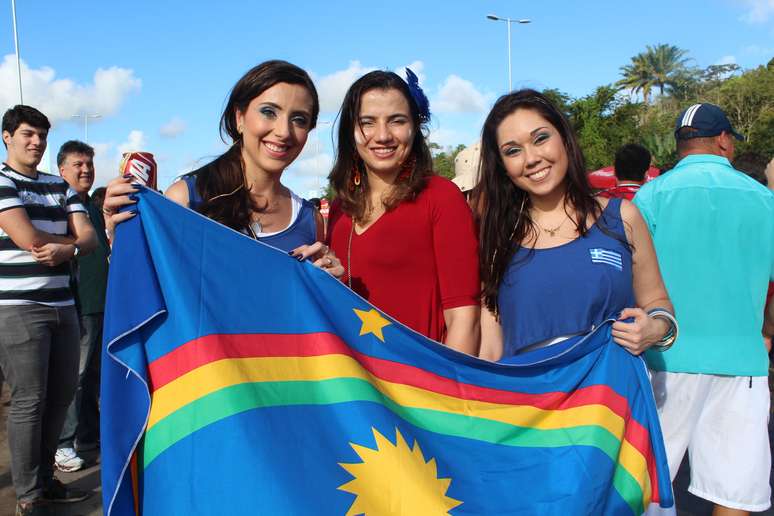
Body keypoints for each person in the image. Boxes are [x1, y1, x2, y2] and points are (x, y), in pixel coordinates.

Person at [634, 103, 774, 515]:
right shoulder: (763, 199)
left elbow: (633, 276)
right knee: (735, 491)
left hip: (664, 358)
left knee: (648, 487)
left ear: (680, 146)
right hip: (741, 360)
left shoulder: (651, 195)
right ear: (724, 141)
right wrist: (766, 333)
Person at [473, 89, 675, 365]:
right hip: (529, 403)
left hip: (610, 399)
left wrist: (655, 328)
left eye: (540, 138)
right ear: (503, 166)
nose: (531, 158)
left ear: (564, 138)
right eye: (513, 151)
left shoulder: (623, 218)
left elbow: (657, 302)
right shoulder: (498, 239)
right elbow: (491, 349)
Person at [104, 60, 342, 275]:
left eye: (299, 119)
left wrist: (329, 284)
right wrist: (120, 240)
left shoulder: (310, 219)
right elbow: (146, 288)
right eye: (268, 112)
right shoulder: (187, 199)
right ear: (239, 117)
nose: (283, 131)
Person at [323, 70, 480, 353]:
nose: (382, 136)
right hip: (356, 384)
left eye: (397, 121)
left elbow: (464, 319)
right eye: (367, 123)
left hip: (421, 384)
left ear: (415, 127)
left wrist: (448, 394)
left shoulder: (441, 197)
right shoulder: (339, 208)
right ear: (350, 131)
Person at [0, 106, 97, 515]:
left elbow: (88, 234)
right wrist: (66, 243)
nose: (36, 142)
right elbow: (25, 236)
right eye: (27, 134)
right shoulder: (3, 181)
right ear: (7, 136)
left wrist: (69, 247)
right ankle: (28, 494)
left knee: (59, 397)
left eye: (41, 135)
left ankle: (43, 480)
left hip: (62, 305)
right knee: (29, 401)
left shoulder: (59, 185)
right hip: (19, 307)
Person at [54, 141, 110, 473]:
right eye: (77, 164)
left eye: (89, 163)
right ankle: (63, 443)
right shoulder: (61, 205)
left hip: (103, 301)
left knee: (92, 377)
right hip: (79, 303)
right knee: (73, 377)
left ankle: (88, 437)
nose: (85, 169)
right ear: (62, 170)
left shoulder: (93, 206)